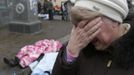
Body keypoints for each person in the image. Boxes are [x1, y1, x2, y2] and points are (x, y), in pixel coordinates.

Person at [52, 0, 134, 75]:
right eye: (80, 26)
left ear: (115, 21)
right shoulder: (81, 48)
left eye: (91, 26)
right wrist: (70, 55)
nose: (85, 34)